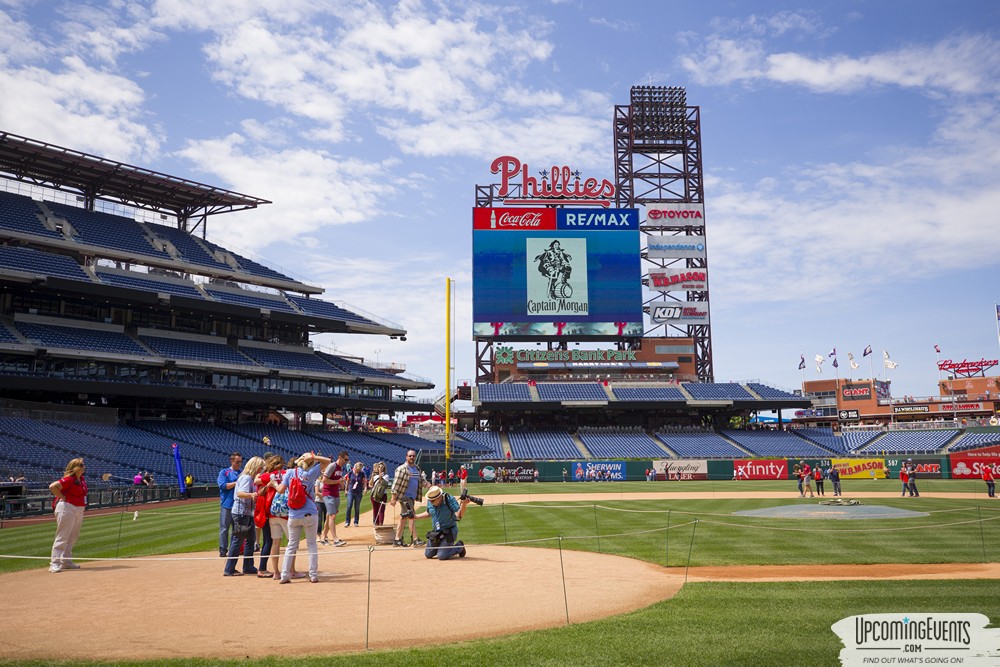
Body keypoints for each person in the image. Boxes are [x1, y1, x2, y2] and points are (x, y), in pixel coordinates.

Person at [277, 451, 331, 584]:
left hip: (294, 514)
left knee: (291, 546)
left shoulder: (290, 472)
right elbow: (328, 461)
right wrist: (313, 457)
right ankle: (313, 575)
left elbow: (281, 490)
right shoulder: (311, 473)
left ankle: (284, 575)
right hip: (309, 513)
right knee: (312, 545)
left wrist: (273, 484)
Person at [224, 456, 265, 576]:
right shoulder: (247, 478)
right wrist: (252, 495)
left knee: (250, 540)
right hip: (241, 512)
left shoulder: (249, 478)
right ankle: (229, 569)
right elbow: (240, 493)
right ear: (255, 467)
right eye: (260, 467)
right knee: (238, 540)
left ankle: (248, 566)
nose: (261, 470)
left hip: (247, 512)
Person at [48, 458, 87, 573]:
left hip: (78, 509)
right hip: (67, 508)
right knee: (63, 536)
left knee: (73, 536)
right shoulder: (69, 479)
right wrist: (62, 497)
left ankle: (66, 561)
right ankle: (54, 563)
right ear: (77, 467)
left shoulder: (82, 480)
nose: (84, 467)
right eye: (82, 465)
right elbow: (52, 486)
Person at [414, 485, 470, 560]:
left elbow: (458, 515)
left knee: (442, 556)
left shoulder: (449, 499)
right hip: (436, 533)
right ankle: (443, 548)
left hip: (449, 532)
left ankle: (459, 546)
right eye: (429, 500)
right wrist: (416, 516)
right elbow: (429, 512)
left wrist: (463, 505)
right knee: (428, 554)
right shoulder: (431, 500)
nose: (431, 502)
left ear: (439, 497)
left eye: (433, 500)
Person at [389, 450, 426, 547]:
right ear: (406, 457)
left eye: (413, 456)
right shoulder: (402, 469)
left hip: (412, 497)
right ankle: (415, 540)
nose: (412, 457)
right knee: (411, 516)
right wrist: (393, 498)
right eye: (410, 456)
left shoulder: (417, 468)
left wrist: (427, 484)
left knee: (403, 517)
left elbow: (421, 481)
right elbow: (395, 484)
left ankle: (397, 539)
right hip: (405, 497)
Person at [320, 451, 349, 547]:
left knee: (329, 516)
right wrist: (338, 481)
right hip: (328, 493)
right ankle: (335, 539)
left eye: (347, 460)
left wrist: (341, 483)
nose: (346, 461)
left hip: (335, 493)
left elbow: (337, 480)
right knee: (332, 516)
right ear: (340, 457)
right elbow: (324, 480)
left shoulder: (340, 468)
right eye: (345, 459)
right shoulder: (332, 466)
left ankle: (323, 537)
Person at [217, 451, 243, 557]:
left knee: (236, 529)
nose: (239, 464)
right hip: (227, 504)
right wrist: (237, 483)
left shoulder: (241, 472)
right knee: (224, 528)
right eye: (237, 462)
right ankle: (223, 549)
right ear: (232, 461)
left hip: (238, 505)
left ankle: (233, 549)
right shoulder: (224, 472)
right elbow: (223, 486)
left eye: (241, 462)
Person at [344, 461, 367, 528]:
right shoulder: (350, 473)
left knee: (357, 507)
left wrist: (365, 488)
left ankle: (356, 521)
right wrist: (346, 490)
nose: (359, 470)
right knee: (349, 506)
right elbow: (347, 481)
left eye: (360, 469)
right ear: (355, 467)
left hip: (359, 492)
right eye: (358, 469)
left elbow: (364, 481)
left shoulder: (362, 473)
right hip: (351, 491)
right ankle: (347, 522)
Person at [369, 461, 390, 526]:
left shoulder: (386, 476)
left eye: (381, 466)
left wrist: (380, 472)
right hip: (374, 494)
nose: (379, 467)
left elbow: (382, 483)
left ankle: (381, 524)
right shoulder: (375, 475)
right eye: (379, 466)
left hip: (382, 494)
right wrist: (372, 476)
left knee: (381, 510)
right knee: (375, 509)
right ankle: (376, 523)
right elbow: (370, 485)